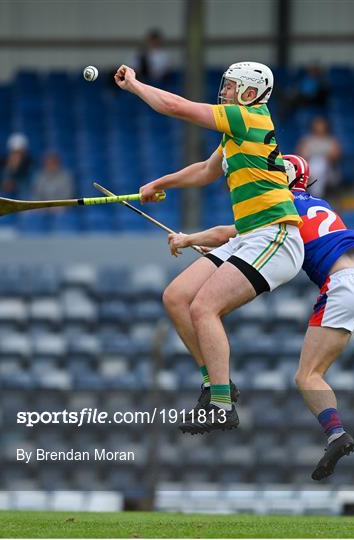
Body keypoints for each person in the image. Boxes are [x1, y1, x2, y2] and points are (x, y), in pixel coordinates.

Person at [168, 154, 354, 502]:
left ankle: (337, 435)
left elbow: (228, 232)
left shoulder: (279, 205)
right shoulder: (320, 204)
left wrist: (189, 239)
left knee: (308, 376)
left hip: (343, 285)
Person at [114, 61, 304, 433]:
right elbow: (205, 170)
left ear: (250, 94)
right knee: (176, 297)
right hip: (248, 236)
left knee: (204, 307)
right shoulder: (234, 134)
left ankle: (221, 405)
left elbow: (174, 107)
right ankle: (214, 385)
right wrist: (159, 182)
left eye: (232, 86)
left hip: (275, 236)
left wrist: (136, 85)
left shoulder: (247, 118)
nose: (225, 90)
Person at [297, 116, 341, 198]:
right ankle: (317, 195)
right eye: (317, 125)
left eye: (321, 125)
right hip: (310, 167)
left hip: (328, 169)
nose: (319, 127)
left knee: (320, 162)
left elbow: (335, 157)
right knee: (315, 162)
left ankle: (315, 195)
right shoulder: (307, 140)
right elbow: (301, 157)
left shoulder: (330, 140)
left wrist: (325, 157)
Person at [0, 133, 32, 197]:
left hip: (24, 196)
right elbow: (1, 184)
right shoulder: (5, 166)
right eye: (13, 153)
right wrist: (11, 169)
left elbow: (30, 185)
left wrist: (15, 185)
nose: (16, 156)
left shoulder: (31, 166)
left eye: (18, 153)